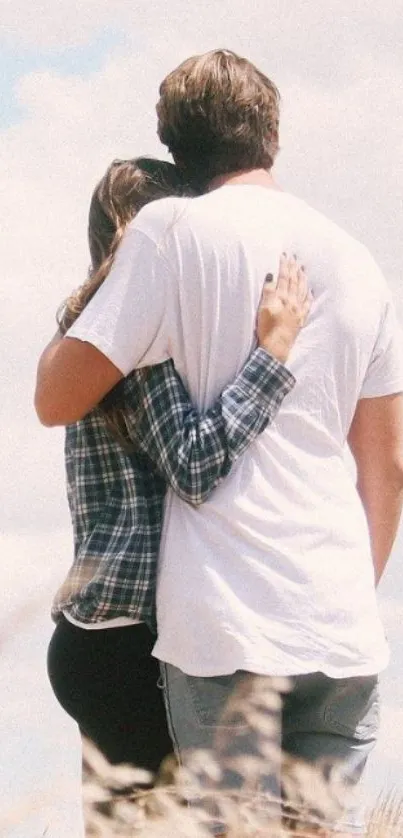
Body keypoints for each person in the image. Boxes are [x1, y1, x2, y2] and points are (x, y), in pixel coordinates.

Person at [35, 50, 403, 836]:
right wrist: (346, 595)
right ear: (273, 132)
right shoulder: (360, 261)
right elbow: (390, 466)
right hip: (338, 624)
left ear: (174, 144)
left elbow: (58, 398)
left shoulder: (168, 234)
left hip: (226, 625)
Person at [46, 157, 311, 784]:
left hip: (95, 636)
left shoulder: (90, 332)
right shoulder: (135, 339)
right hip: (130, 642)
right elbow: (194, 465)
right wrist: (272, 354)